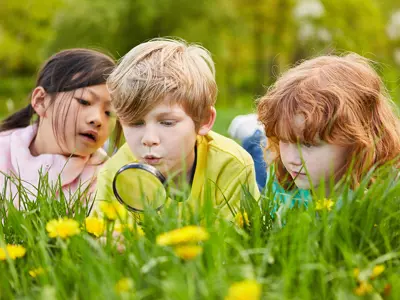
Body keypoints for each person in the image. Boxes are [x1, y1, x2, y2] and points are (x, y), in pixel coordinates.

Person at [93, 38, 259, 218]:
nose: (149, 139)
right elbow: (103, 237)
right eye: (135, 123)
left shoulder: (231, 165)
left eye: (167, 123)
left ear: (203, 120)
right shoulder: (113, 173)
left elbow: (234, 240)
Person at [256, 53, 400, 208]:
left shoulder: (386, 196)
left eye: (308, 144)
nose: (291, 159)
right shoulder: (282, 183)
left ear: (357, 139)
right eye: (284, 139)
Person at [0, 49, 117, 208]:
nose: (97, 119)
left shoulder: (106, 177)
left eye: (109, 112)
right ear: (41, 101)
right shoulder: (3, 152)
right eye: (84, 101)